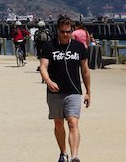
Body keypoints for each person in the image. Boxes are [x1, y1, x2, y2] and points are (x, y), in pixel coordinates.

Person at [39, 15, 91, 162]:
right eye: (62, 32)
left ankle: (75, 156)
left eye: (68, 31)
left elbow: (85, 71)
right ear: (57, 31)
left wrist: (88, 92)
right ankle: (63, 153)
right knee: (58, 123)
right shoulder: (49, 46)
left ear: (72, 31)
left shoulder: (79, 47)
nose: (65, 34)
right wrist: (48, 81)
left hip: (73, 91)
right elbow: (43, 67)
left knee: (73, 122)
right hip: (54, 92)